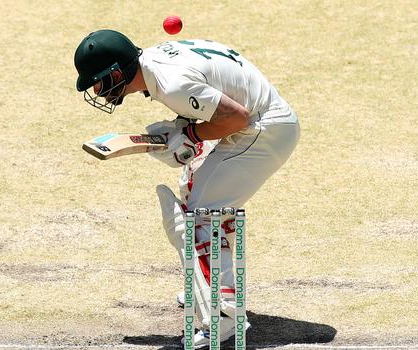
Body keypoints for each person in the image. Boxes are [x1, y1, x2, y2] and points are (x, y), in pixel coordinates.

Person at [74, 29, 300, 348]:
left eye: (98, 81)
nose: (96, 90)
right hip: (259, 122)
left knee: (200, 217)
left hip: (264, 131)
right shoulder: (155, 63)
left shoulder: (171, 84)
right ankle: (205, 288)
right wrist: (184, 129)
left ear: (116, 72)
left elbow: (237, 117)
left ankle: (223, 321)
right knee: (192, 187)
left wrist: (192, 136)